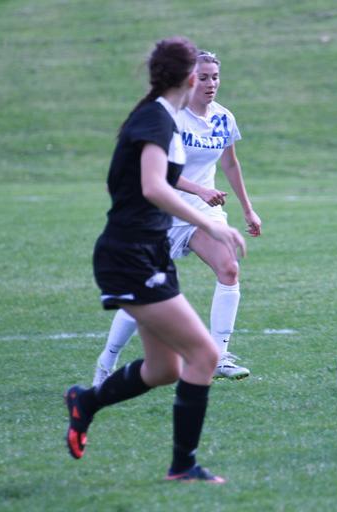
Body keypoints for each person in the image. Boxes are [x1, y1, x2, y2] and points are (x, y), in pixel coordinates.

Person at [64, 36, 246, 483]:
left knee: (165, 369)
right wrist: (211, 225)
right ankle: (183, 467)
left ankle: (85, 401)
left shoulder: (160, 115)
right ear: (190, 78)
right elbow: (152, 186)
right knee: (203, 355)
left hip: (148, 252)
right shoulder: (156, 119)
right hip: (130, 255)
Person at [92, 50, 261, 386]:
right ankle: (106, 364)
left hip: (203, 213)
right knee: (142, 294)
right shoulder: (170, 119)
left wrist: (247, 208)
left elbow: (230, 163)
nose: (211, 83)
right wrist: (198, 190)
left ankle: (219, 356)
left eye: (215, 77)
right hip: (164, 213)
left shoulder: (223, 117)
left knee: (229, 268)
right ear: (189, 79)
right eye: (204, 77)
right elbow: (158, 176)